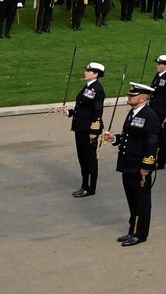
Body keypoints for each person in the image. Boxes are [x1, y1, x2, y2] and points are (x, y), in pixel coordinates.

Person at [102, 82, 159, 246]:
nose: (129, 97)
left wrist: (147, 166)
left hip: (139, 166)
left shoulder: (150, 116)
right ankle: (132, 230)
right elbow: (130, 137)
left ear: (142, 98)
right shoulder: (133, 113)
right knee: (132, 199)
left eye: (132, 95)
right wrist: (114, 139)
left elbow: (152, 143)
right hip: (128, 163)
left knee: (141, 201)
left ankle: (140, 234)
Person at [60, 62, 107, 197]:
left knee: (89, 159)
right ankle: (84, 184)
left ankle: (90, 187)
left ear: (96, 74)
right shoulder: (88, 87)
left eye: (89, 71)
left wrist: (93, 131)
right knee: (82, 158)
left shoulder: (97, 89)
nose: (86, 73)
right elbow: (82, 108)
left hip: (88, 130)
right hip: (80, 128)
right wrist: (68, 113)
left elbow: (98, 111)